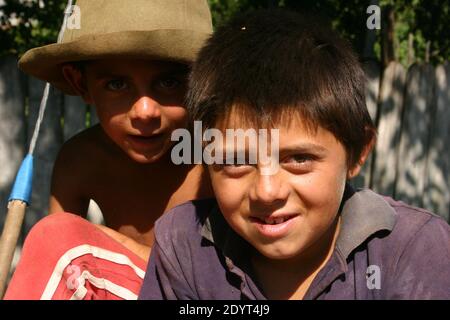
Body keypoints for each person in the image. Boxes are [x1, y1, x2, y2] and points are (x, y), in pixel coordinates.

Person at [138, 9, 450, 300]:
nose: (267, 191)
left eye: (299, 159)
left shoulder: (415, 250)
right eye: (235, 161)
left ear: (357, 153)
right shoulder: (184, 245)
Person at [4, 0, 213, 300]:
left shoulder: (222, 155)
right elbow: (63, 271)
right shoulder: (81, 160)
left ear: (202, 83)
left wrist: (103, 239)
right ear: (81, 83)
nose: (145, 111)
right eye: (117, 84)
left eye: (169, 82)